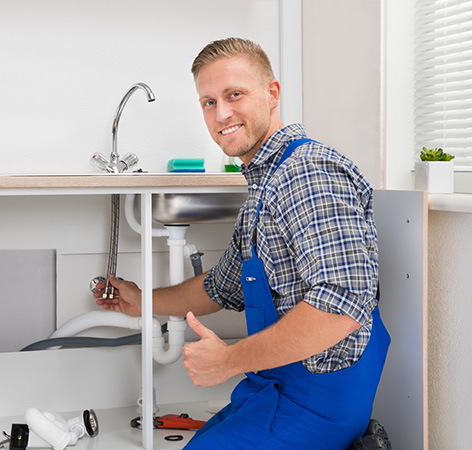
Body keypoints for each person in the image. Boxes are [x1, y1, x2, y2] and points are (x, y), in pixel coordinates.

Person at [95, 37, 390, 450]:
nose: (222, 113)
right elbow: (221, 287)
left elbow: (342, 304)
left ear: (272, 93)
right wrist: (141, 300)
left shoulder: (307, 173)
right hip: (273, 389)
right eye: (208, 102)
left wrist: (230, 361)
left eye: (235, 94)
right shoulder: (264, 185)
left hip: (317, 405)